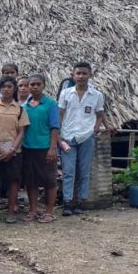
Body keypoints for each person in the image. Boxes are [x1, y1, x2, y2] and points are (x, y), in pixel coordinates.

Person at [59, 61, 114, 216]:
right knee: (69, 171)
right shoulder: (65, 93)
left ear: (90, 75)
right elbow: (60, 114)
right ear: (73, 75)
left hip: (87, 136)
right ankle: (67, 202)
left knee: (84, 170)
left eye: (84, 73)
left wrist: (97, 128)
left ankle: (81, 202)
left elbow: (99, 113)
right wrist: (58, 133)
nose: (81, 76)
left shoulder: (97, 95)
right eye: (78, 73)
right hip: (68, 136)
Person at [0, 77, 30, 224]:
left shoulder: (20, 109)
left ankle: (10, 213)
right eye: (3, 87)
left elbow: (21, 131)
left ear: (14, 89)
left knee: (13, 181)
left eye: (9, 86)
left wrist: (13, 149)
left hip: (14, 151)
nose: (6, 89)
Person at [21, 73, 61, 223]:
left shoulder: (51, 104)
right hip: (28, 148)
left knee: (49, 181)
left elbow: (55, 127)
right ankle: (33, 210)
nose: (35, 87)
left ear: (43, 85)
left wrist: (52, 148)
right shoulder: (24, 106)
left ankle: (49, 212)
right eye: (32, 84)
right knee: (30, 181)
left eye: (38, 84)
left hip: (45, 147)